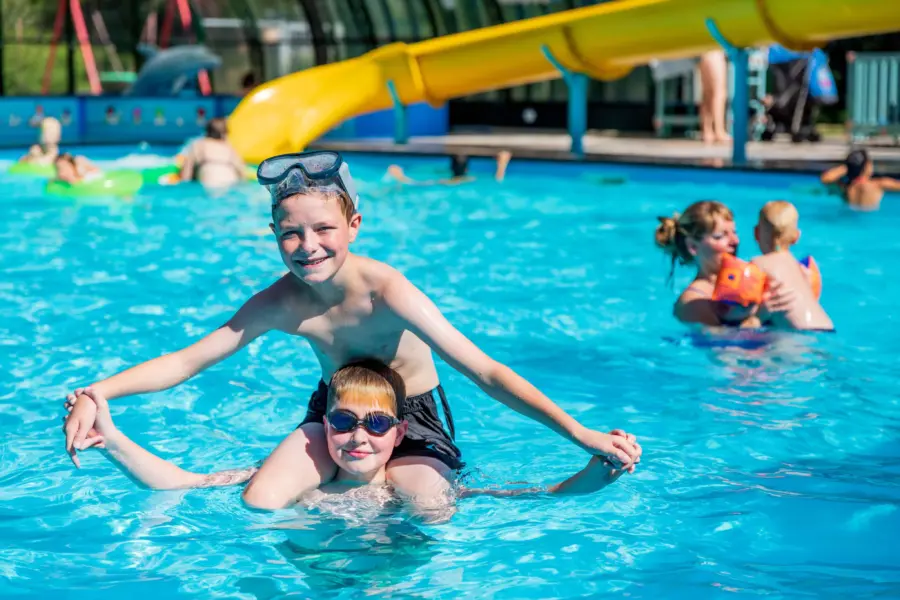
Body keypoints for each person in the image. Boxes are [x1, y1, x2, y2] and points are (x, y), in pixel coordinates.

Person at [63, 150, 641, 513]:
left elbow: (484, 371)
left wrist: (578, 434)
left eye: (323, 228)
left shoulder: (389, 291)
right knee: (260, 501)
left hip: (409, 418)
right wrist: (98, 393)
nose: (307, 245)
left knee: (427, 510)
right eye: (290, 233)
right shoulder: (280, 302)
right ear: (273, 233)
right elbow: (187, 362)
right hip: (337, 412)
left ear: (354, 225)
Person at [72, 361, 635, 505]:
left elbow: (532, 500)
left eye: (377, 424)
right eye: (342, 422)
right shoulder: (295, 485)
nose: (357, 436)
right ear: (323, 426)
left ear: (398, 437)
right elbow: (179, 483)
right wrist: (114, 438)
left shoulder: (404, 491)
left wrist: (594, 472)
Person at [655, 200, 794, 327]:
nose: (735, 241)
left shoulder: (752, 277)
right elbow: (722, 350)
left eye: (734, 232)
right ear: (693, 247)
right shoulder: (692, 303)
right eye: (720, 236)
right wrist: (757, 318)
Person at [751, 201, 833, 331]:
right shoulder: (801, 269)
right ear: (796, 237)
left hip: (799, 333)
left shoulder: (757, 264)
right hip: (826, 327)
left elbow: (743, 308)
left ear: (756, 233)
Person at [820, 149, 900, 210]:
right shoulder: (879, 184)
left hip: (849, 221)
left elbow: (825, 179)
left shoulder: (844, 187)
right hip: (871, 224)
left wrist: (847, 167)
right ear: (868, 165)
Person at [179, 118, 246, 188]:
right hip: (231, 184)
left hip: (208, 184)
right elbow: (242, 174)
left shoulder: (198, 145)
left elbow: (186, 176)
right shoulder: (229, 148)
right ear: (225, 134)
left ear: (206, 131)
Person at [387, 151, 512, 186]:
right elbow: (498, 180)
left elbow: (418, 184)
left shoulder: (445, 182)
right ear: (467, 169)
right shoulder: (472, 179)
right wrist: (502, 163)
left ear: (450, 169)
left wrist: (400, 176)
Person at [698, 50, 730, 145]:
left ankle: (707, 131)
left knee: (708, 93)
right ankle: (719, 131)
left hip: (705, 52)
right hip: (715, 51)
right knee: (719, 92)